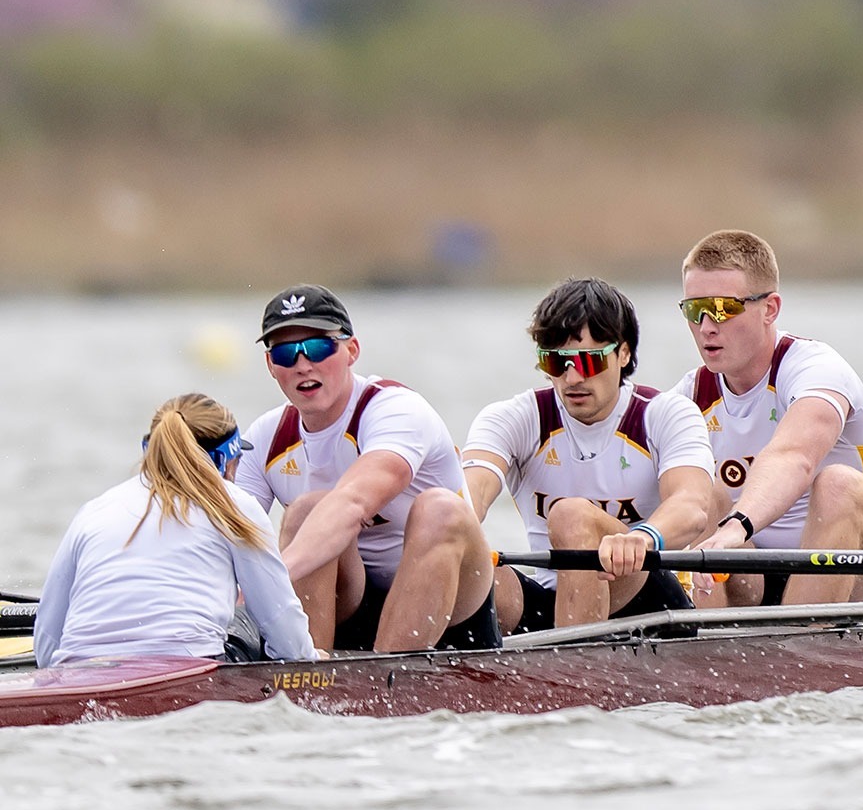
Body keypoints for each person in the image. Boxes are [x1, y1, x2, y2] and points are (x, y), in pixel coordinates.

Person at [236, 285, 499, 653]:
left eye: (318, 347)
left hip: (451, 600)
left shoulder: (396, 410)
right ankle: (305, 674)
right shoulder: (264, 439)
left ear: (351, 351)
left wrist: (270, 579)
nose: (302, 364)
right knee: (306, 511)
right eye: (284, 353)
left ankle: (389, 677)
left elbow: (354, 503)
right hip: (351, 601)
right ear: (271, 366)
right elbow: (225, 538)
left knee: (439, 509)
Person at [464, 278, 715, 631]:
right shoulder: (513, 417)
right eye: (556, 362)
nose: (572, 379)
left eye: (588, 361)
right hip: (552, 601)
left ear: (623, 353)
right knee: (472, 567)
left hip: (647, 599)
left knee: (570, 515)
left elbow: (692, 506)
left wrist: (641, 538)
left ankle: (571, 675)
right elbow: (473, 492)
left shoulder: (666, 414)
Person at [674, 231, 863, 606]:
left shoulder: (816, 369)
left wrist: (736, 527)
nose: (707, 326)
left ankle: (800, 643)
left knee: (838, 483)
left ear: (770, 309)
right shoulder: (688, 396)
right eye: (695, 310)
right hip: (757, 575)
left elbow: (794, 457)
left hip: (859, 570)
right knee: (698, 493)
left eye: (724, 308)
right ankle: (705, 648)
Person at [35, 394, 318, 666]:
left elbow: (47, 641)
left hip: (77, 670)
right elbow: (282, 626)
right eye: (237, 463)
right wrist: (311, 665)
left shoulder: (95, 510)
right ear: (224, 462)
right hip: (189, 669)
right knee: (244, 616)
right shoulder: (234, 503)